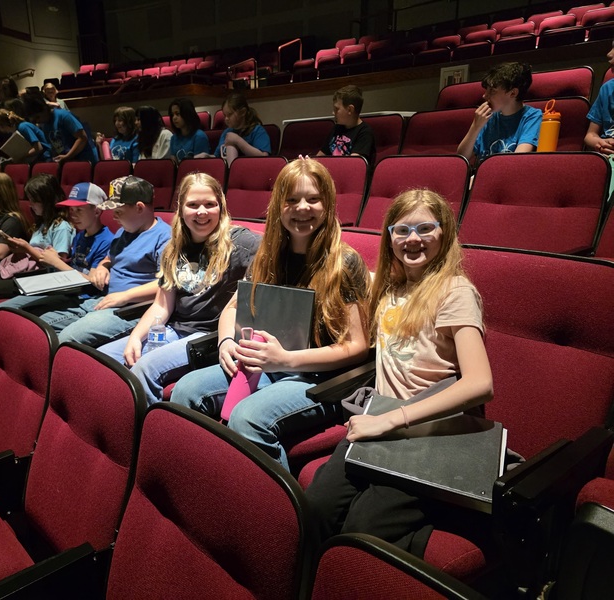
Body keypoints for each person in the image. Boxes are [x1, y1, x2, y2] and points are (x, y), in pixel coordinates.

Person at [304, 188, 493, 558]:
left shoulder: (455, 291)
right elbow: (343, 271)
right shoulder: (390, 287)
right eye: (401, 230)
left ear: (445, 233)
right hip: (380, 424)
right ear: (389, 236)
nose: (413, 239)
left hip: (431, 434)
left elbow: (480, 383)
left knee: (362, 533)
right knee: (313, 512)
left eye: (425, 228)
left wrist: (392, 420)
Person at [171, 158, 371, 471]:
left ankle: (274, 511)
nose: (302, 208)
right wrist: (225, 342)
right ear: (279, 205)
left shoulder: (344, 262)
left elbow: (357, 345)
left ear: (328, 204)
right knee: (185, 391)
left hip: (319, 378)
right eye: (291, 199)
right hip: (267, 366)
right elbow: (234, 307)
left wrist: (286, 360)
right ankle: (199, 477)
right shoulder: (268, 255)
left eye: (313, 199)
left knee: (248, 418)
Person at [98, 173, 260, 405]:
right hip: (173, 329)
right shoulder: (173, 248)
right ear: (181, 209)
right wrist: (135, 337)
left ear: (221, 207)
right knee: (102, 358)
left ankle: (141, 434)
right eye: (192, 205)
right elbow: (161, 305)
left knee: (144, 369)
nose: (201, 212)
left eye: (209, 204)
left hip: (207, 337)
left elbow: (276, 249)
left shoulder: (242, 243)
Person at [24, 175, 171, 346]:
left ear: (139, 208)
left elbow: (167, 285)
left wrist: (125, 296)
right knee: (35, 326)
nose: (114, 217)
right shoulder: (124, 231)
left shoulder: (165, 237)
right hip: (103, 301)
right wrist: (103, 265)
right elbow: (111, 257)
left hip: (131, 309)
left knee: (65, 340)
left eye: (119, 212)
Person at [0, 181, 114, 310]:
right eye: (71, 210)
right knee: (4, 308)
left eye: (79, 210)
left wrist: (56, 263)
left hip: (83, 298)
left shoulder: (107, 241)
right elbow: (74, 266)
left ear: (97, 212)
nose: (73, 215)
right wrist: (56, 259)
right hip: (66, 288)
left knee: (20, 312)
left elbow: (93, 282)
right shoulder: (80, 236)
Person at [0, 174, 74, 299]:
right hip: (26, 272)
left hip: (41, 279)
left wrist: (27, 248)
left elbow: (58, 264)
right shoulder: (41, 223)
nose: (30, 204)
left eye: (34, 201)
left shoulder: (62, 227)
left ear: (47, 201)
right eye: (29, 200)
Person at [457, 62, 542, 161]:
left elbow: (517, 160)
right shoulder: (488, 117)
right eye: (486, 90)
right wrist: (475, 127)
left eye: (492, 91)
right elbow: (461, 158)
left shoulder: (532, 117)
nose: (484, 96)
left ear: (513, 93)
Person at [22, 92, 97, 165]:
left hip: (85, 160)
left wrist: (67, 156)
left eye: (37, 117)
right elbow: (54, 147)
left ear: (45, 109)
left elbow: (82, 138)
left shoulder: (63, 116)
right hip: (69, 161)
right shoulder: (45, 126)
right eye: (35, 121)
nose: (38, 121)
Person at [317, 85, 376, 163]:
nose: (333, 113)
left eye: (336, 109)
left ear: (350, 110)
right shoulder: (336, 128)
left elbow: (353, 165)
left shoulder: (365, 133)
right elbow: (319, 157)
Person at [214, 92, 271, 165]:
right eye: (224, 115)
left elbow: (264, 157)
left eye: (230, 114)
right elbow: (218, 156)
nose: (226, 119)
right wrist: (207, 156)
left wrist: (238, 141)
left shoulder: (257, 131)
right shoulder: (226, 133)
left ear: (243, 112)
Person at [168, 98, 209, 163]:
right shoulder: (173, 138)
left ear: (187, 114)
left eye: (177, 114)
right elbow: (173, 164)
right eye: (172, 115)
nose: (174, 118)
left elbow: (200, 163)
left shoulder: (199, 136)